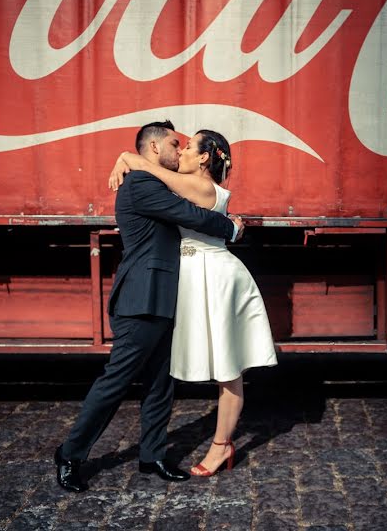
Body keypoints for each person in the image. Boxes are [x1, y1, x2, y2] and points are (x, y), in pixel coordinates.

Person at [54, 121, 244, 493]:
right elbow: (192, 217)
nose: (180, 149)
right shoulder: (142, 184)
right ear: (155, 149)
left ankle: (152, 454)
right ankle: (70, 454)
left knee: (160, 383)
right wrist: (232, 228)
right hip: (141, 297)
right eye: (176, 144)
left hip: (165, 295)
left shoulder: (155, 180)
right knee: (116, 381)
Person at [108, 129, 277, 478]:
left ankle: (221, 446)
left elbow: (159, 174)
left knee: (228, 366)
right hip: (196, 274)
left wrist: (128, 158)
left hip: (214, 276)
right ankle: (214, 443)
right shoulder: (189, 185)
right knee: (216, 363)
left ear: (203, 158)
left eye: (187, 147)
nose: (181, 152)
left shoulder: (201, 187)